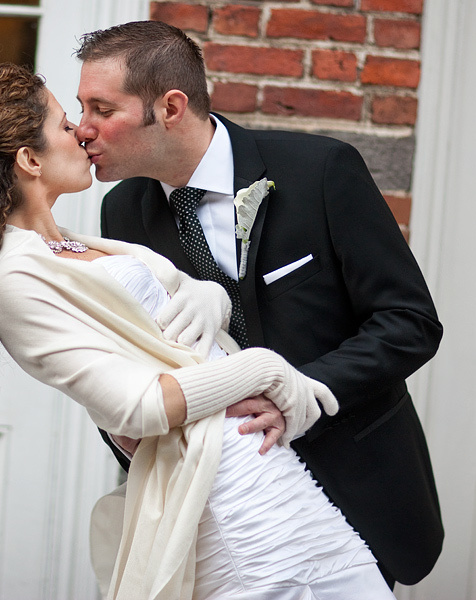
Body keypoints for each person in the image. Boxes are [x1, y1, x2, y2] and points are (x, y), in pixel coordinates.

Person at [0, 63, 396, 598]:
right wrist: (266, 368)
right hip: (223, 494)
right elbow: (137, 407)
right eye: (67, 124)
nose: (83, 132)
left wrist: (212, 298)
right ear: (28, 159)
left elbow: (173, 313)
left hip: (270, 470)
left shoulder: (70, 241)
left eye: (94, 114)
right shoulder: (14, 275)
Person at [74, 20, 443, 588]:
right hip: (225, 514)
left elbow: (409, 322)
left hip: (351, 484)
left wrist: (303, 393)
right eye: (80, 109)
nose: (82, 130)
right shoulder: (124, 212)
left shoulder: (320, 171)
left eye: (101, 109)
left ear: (170, 107)